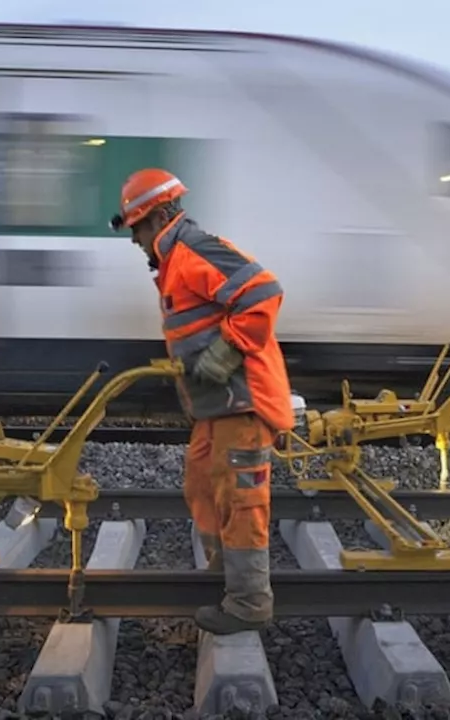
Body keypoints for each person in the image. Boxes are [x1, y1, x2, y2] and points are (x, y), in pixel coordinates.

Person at [109, 168, 294, 635]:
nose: (134, 240)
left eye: (136, 228)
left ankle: (250, 601)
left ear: (157, 217)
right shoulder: (174, 261)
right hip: (217, 407)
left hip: (242, 401)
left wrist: (226, 348)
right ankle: (224, 575)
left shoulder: (193, 249)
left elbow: (263, 292)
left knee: (240, 497)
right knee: (202, 485)